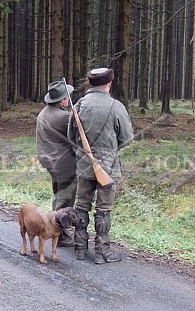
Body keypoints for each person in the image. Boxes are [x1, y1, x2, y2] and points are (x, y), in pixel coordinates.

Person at [68, 68, 134, 264]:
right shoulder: (116, 106)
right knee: (103, 209)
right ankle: (102, 251)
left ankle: (80, 247)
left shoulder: (79, 105)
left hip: (83, 165)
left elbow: (71, 136)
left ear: (91, 83)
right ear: (109, 83)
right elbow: (127, 138)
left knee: (81, 205)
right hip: (108, 167)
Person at [36, 80, 78, 247]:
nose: (68, 99)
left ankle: (56, 229)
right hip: (63, 163)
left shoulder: (44, 112)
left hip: (49, 160)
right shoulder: (64, 117)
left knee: (59, 194)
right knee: (65, 198)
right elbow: (78, 136)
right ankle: (60, 234)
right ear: (62, 100)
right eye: (66, 97)